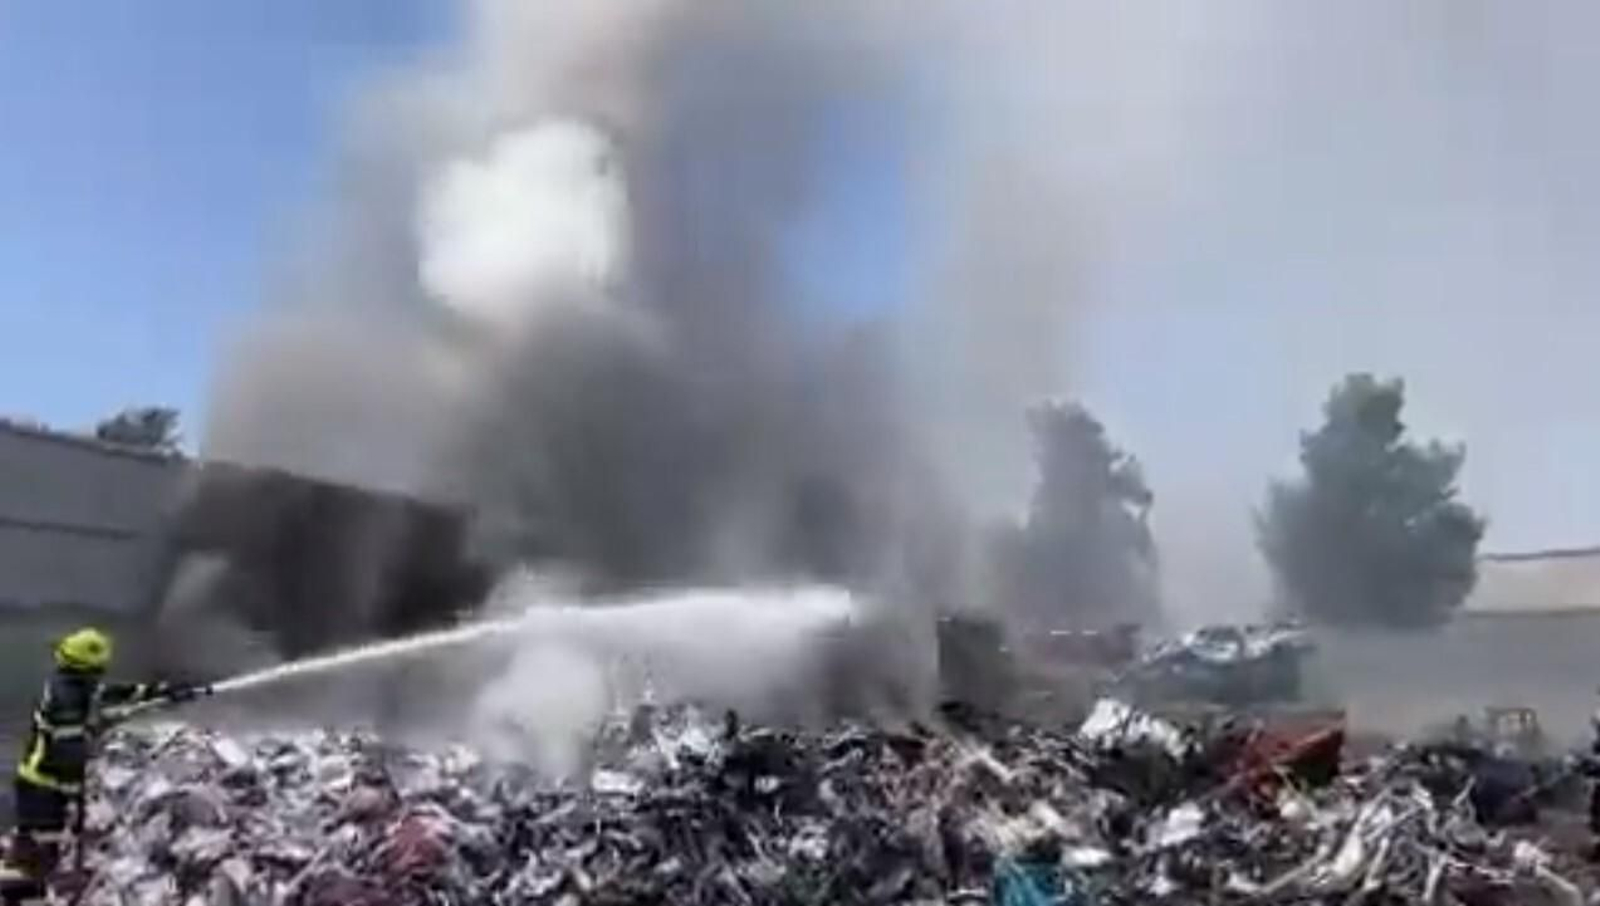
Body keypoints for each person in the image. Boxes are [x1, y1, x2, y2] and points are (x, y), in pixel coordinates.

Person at [7, 628, 208, 884]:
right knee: (38, 855)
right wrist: (76, 793)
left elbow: (111, 693)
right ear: (85, 668)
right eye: (97, 670)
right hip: (43, 788)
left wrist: (159, 692)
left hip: (43, 785)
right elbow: (70, 751)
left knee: (37, 851)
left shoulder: (71, 685)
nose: (100, 675)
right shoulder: (68, 697)